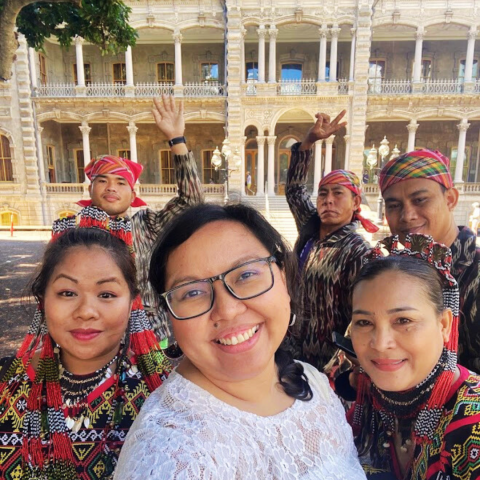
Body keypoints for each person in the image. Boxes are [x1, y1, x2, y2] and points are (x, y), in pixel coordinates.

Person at [114, 203, 367, 480]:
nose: (228, 310)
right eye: (192, 292)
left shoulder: (312, 382)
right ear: (169, 316)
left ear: (283, 276)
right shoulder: (171, 455)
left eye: (246, 275)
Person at [0, 227, 171, 480]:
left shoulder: (162, 398)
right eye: (67, 293)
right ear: (43, 298)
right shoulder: (6, 384)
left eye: (106, 294)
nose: (86, 311)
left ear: (132, 302)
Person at [73, 95, 204, 344]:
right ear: (90, 190)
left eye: (121, 182)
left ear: (133, 194)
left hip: (152, 335)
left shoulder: (146, 225)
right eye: (102, 180)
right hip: (97, 337)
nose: (111, 187)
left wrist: (177, 140)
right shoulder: (74, 235)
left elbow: (192, 202)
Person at [349, 234, 480, 480]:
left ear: (443, 324)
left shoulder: (473, 420)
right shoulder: (369, 401)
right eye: (364, 322)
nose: (380, 344)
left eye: (403, 320)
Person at [285, 111, 378, 371]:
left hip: (327, 363)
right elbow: (294, 190)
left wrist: (340, 365)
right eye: (323, 194)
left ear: (356, 202)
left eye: (338, 194)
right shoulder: (311, 227)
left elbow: (359, 316)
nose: (328, 200)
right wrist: (308, 142)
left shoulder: (357, 251)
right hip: (292, 350)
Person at [379, 149, 480, 372]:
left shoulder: (474, 274)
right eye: (394, 205)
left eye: (420, 200)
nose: (407, 215)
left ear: (450, 199)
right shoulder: (392, 272)